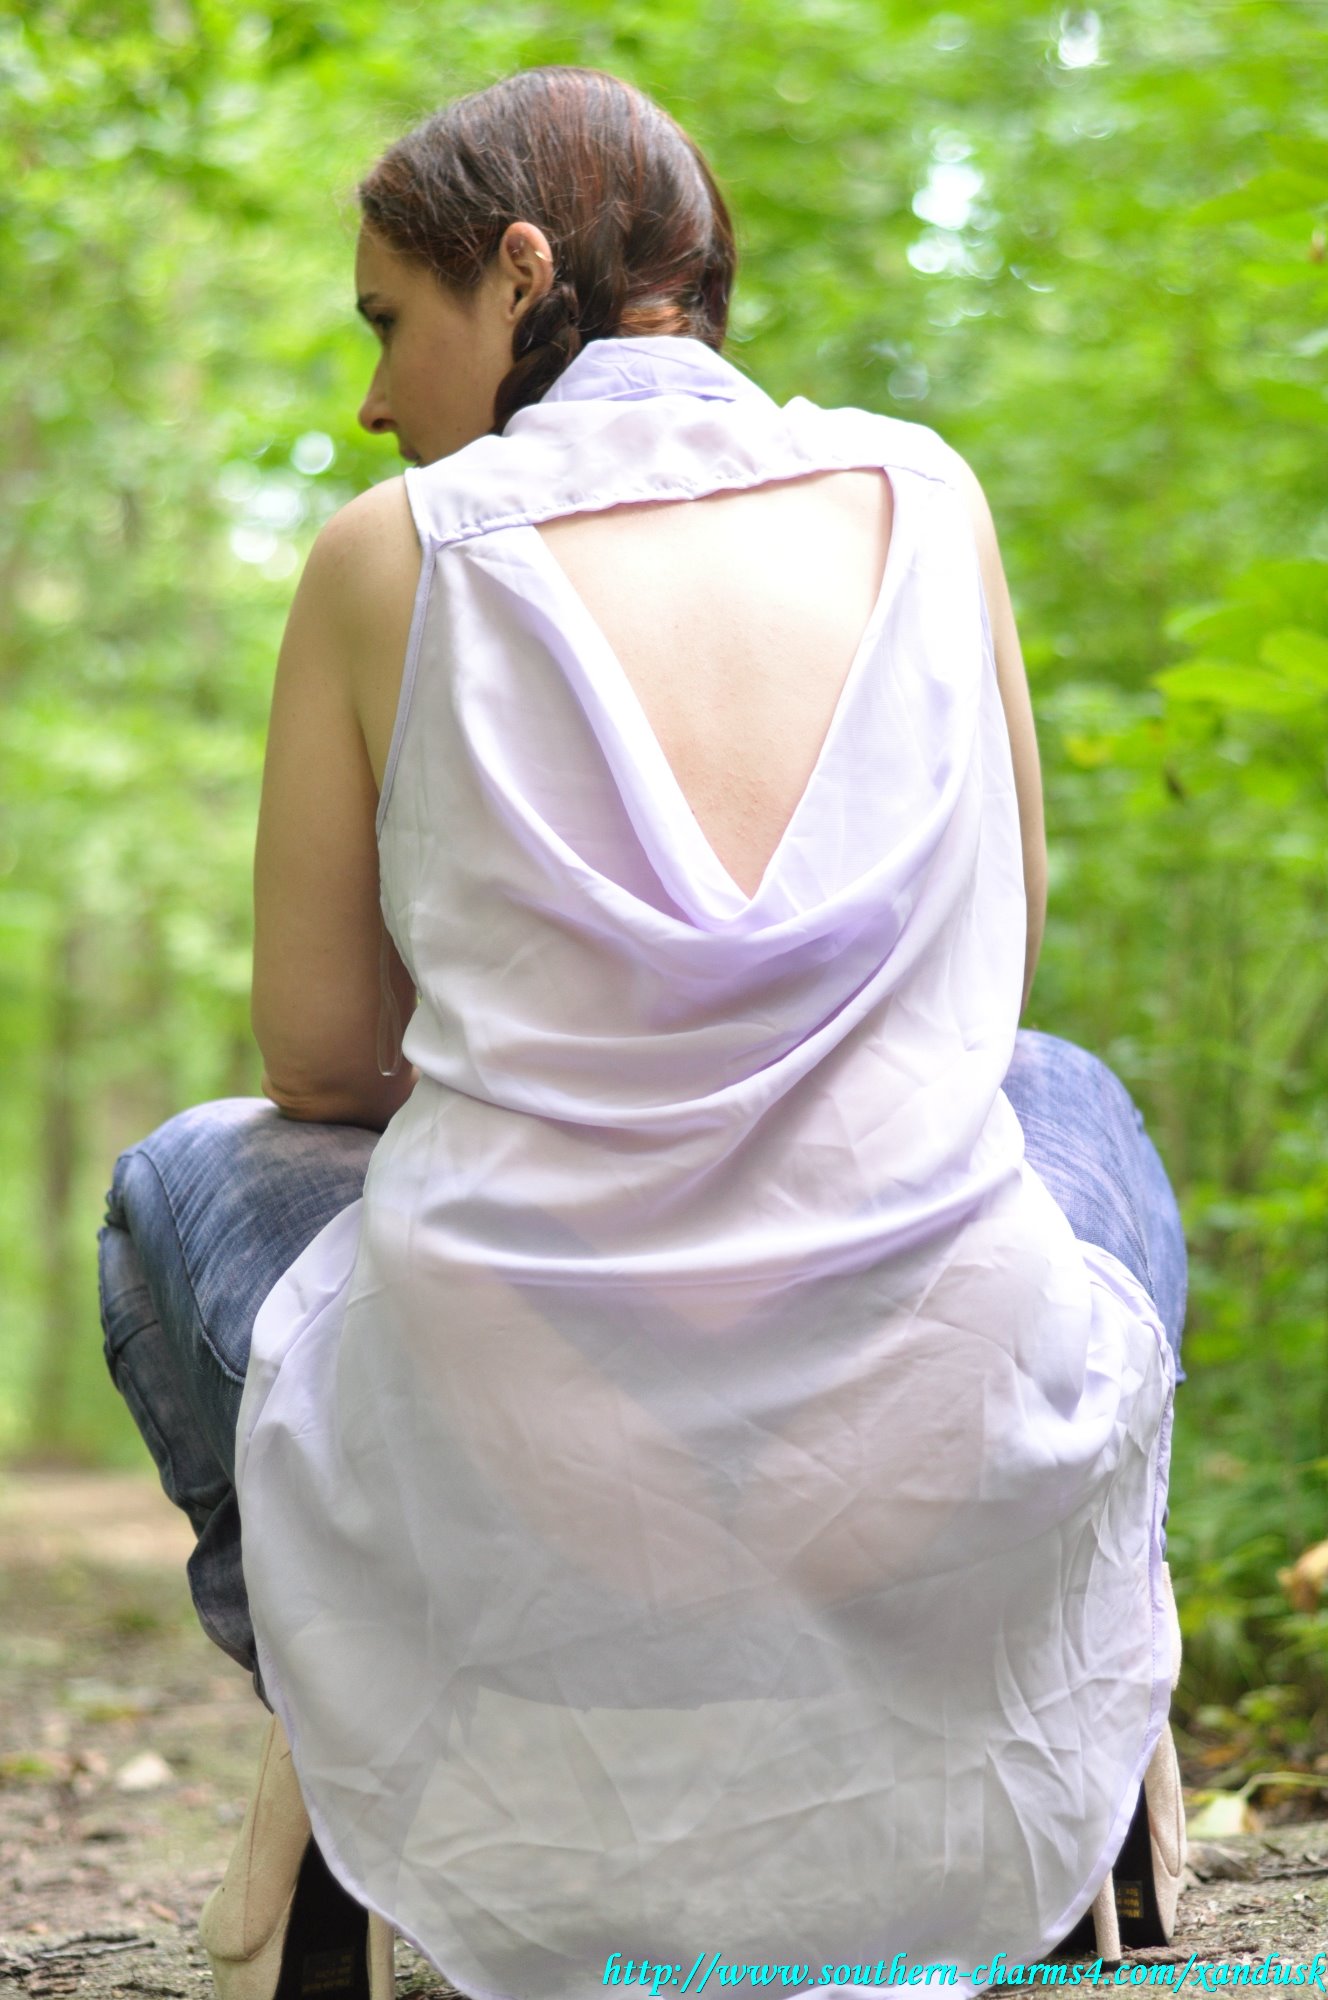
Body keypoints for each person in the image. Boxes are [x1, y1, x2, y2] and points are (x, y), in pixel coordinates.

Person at [97, 64, 1188, 2000]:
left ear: (521, 274)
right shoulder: (925, 495)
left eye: (388, 322)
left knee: (175, 1180)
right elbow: (992, 966)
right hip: (926, 1446)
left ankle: (360, 1713)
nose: (374, 398)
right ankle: (1075, 1724)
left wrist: (553, 1075)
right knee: (1064, 1089)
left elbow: (322, 1068)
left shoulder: (390, 553)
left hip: (524, 1467)